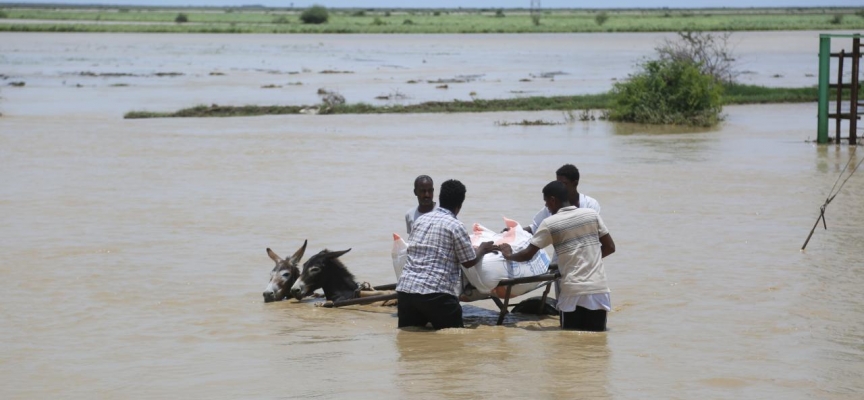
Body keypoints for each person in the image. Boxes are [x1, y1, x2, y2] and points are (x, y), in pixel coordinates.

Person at [498, 181, 616, 332]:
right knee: (597, 342)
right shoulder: (591, 215)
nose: (547, 207)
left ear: (553, 200)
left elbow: (528, 254)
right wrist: (588, 260)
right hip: (599, 290)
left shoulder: (550, 223)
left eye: (546, 203)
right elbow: (610, 247)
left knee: (569, 342)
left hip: (572, 291)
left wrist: (509, 255)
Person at [396, 179, 495, 330]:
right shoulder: (455, 225)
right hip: (437, 295)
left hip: (406, 292)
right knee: (454, 342)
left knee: (410, 341)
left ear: (440, 198)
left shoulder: (421, 220)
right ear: (459, 205)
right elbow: (468, 261)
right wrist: (482, 248)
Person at [526, 164, 601, 234]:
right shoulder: (553, 205)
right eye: (558, 183)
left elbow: (591, 230)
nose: (560, 186)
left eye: (564, 183)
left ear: (575, 183)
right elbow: (535, 228)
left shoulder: (590, 204)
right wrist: (516, 230)